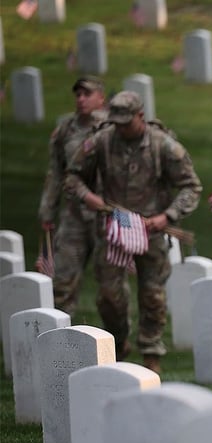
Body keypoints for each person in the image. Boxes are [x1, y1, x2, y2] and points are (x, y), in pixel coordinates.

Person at [65, 91, 202, 373]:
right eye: (117, 123)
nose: (122, 128)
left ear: (141, 116)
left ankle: (151, 354)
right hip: (113, 230)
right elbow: (73, 175)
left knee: (152, 295)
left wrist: (168, 216)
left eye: (127, 122)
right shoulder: (102, 141)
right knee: (108, 295)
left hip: (151, 230)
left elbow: (191, 186)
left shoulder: (164, 145)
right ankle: (119, 339)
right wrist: (90, 198)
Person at [37, 76, 107, 317]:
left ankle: (117, 343)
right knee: (62, 281)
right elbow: (55, 172)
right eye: (78, 94)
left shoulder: (113, 128)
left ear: (101, 98)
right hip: (73, 215)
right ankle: (59, 340)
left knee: (109, 285)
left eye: (87, 94)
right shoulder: (66, 130)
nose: (81, 99)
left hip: (104, 215)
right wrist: (48, 210)